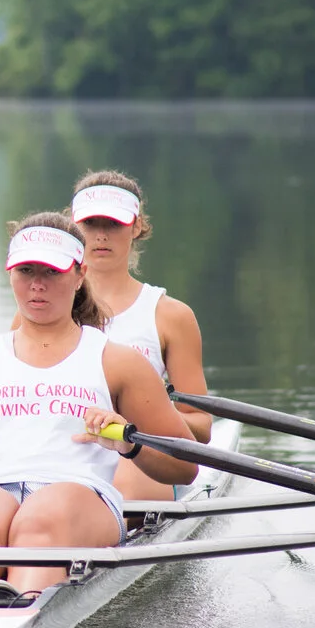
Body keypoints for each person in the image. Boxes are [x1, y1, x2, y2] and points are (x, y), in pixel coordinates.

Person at [0, 212, 201, 602]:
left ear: (80, 274)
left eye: (51, 271)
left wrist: (128, 445)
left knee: (39, 524)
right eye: (26, 270)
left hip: (78, 496)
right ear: (9, 272)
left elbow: (184, 465)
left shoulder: (117, 362)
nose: (37, 285)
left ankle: (8, 609)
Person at [68, 170, 212, 508]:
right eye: (91, 224)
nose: (101, 236)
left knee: (121, 483)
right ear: (73, 229)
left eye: (114, 224)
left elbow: (202, 429)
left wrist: (136, 417)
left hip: (139, 458)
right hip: (68, 454)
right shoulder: (40, 310)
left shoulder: (170, 316)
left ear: (135, 227)